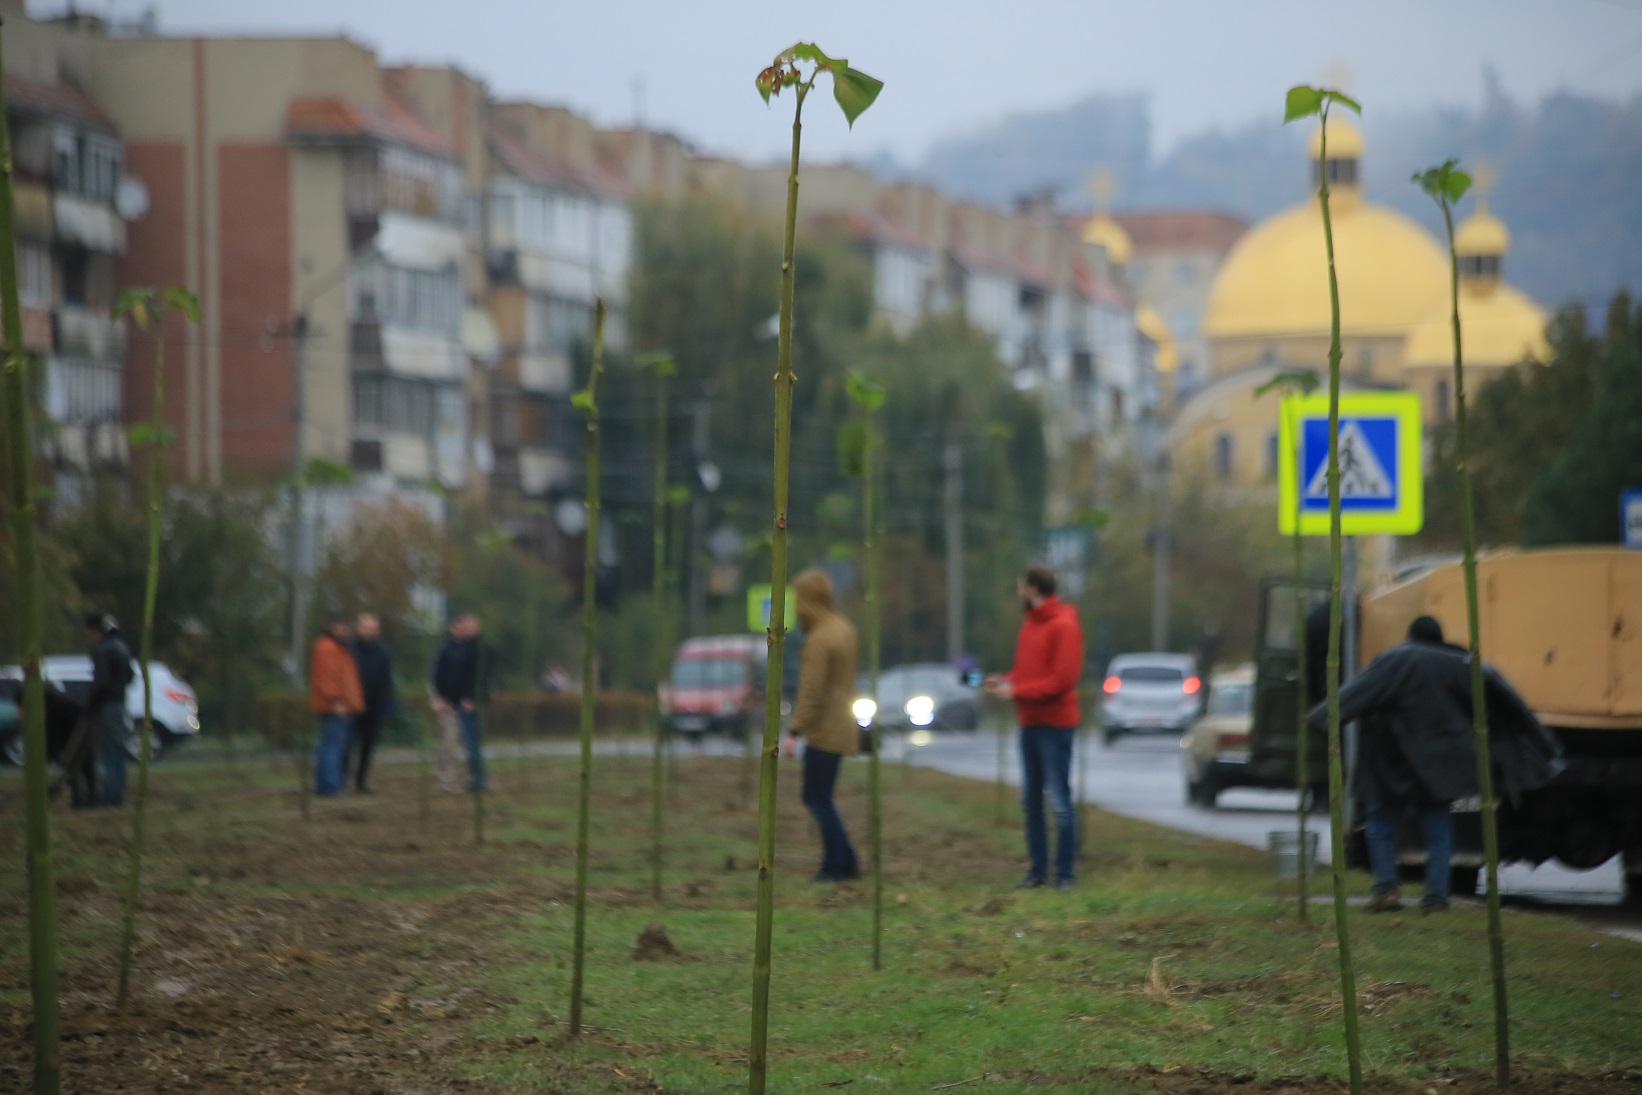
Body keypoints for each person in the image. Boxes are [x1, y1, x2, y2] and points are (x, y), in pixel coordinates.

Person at [1309, 615, 1558, 913]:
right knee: (1438, 829)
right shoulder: (1462, 663)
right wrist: (1539, 742)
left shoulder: (1396, 658)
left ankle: (1386, 891)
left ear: (1411, 635)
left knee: (1382, 826)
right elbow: (1504, 701)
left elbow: (1357, 694)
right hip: (1440, 767)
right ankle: (1437, 897)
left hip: (1392, 763)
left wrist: (1321, 717)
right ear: (1440, 637)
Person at [985, 565, 1086, 890]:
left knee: (1058, 799)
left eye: (1020, 586)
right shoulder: (1030, 626)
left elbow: (1062, 680)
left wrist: (1018, 691)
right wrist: (1007, 680)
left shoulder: (1063, 626)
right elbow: (1030, 674)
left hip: (1055, 726)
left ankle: (1065, 873)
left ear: (1031, 588)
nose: (1018, 592)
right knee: (1031, 801)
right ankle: (1038, 871)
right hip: (1029, 724)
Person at [787, 568, 861, 882]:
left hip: (825, 729)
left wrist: (795, 729)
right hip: (843, 724)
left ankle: (836, 865)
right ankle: (845, 861)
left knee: (816, 797)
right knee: (822, 796)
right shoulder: (843, 628)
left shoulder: (819, 639)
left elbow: (812, 690)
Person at [431, 613, 488, 793]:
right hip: (448, 703)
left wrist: (472, 698)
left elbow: (481, 677)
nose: (464, 629)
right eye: (462, 625)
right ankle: (446, 779)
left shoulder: (479, 649)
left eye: (470, 626)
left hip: (469, 704)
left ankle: (477, 778)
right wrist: (438, 697)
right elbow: (437, 674)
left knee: (471, 742)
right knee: (447, 742)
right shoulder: (446, 648)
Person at [310, 615, 364, 797]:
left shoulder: (335, 647)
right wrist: (337, 701)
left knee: (330, 746)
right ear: (332, 627)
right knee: (333, 747)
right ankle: (331, 786)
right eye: (342, 626)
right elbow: (328, 679)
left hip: (338, 705)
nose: (345, 630)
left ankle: (324, 785)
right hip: (336, 707)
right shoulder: (328, 648)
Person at [85, 613, 135, 808]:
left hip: (106, 706)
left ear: (96, 630)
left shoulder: (103, 650)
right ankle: (116, 793)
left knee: (106, 751)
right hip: (119, 703)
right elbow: (129, 676)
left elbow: (100, 682)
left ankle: (109, 796)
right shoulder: (122, 647)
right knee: (117, 749)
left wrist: (91, 704)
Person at [347, 612, 396, 793]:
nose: (370, 631)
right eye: (366, 628)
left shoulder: (383, 650)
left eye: (373, 628)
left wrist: (388, 703)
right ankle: (343, 779)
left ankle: (361, 781)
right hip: (353, 704)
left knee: (368, 745)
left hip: (374, 705)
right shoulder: (350, 649)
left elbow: (386, 678)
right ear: (359, 628)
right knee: (347, 744)